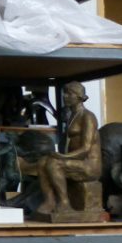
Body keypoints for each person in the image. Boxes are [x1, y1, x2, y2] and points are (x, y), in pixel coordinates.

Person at [35, 81, 101, 216]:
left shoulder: (88, 117)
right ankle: (50, 201)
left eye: (68, 94)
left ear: (78, 96)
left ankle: (65, 203)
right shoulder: (72, 115)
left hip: (89, 164)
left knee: (54, 164)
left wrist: (64, 157)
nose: (64, 96)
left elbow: (86, 148)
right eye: (64, 93)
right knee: (42, 162)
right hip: (76, 160)